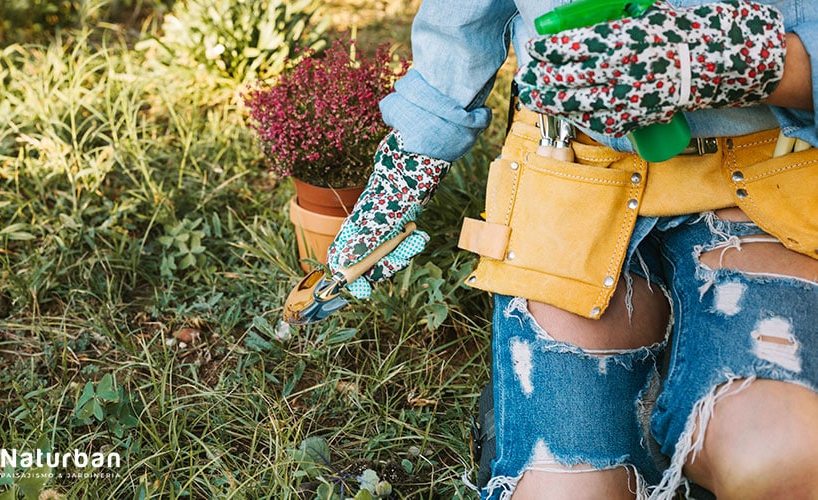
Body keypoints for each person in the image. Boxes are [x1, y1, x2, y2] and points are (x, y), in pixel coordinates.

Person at [325, 1, 818, 498]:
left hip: (769, 172)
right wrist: (404, 175)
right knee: (569, 489)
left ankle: (685, 395)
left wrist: (728, 60)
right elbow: (461, 30)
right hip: (573, 172)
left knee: (780, 458)